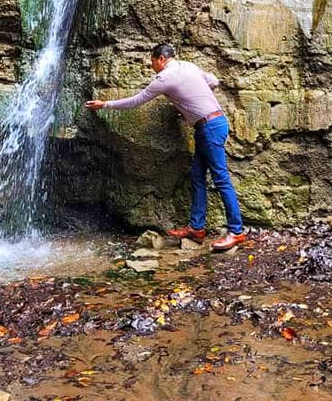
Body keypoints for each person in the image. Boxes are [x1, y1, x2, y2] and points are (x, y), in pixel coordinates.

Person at [86, 44, 246, 252]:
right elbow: (214, 81)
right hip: (212, 123)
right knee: (197, 176)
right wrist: (194, 98)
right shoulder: (188, 66)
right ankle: (196, 228)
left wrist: (105, 104)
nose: (151, 66)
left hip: (209, 127)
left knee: (221, 179)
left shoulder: (164, 78)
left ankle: (236, 231)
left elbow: (137, 101)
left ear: (160, 59)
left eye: (152, 61)